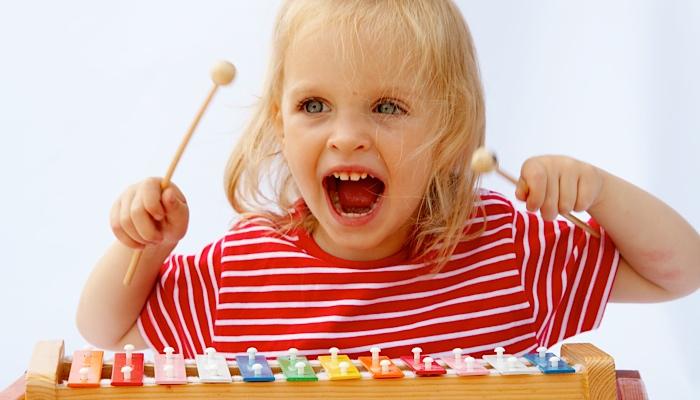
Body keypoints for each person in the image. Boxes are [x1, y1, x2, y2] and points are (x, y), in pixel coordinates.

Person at [76, 0, 699, 360]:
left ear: (450, 134)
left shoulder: (507, 252)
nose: (345, 136)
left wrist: (599, 191)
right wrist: (146, 243)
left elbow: (681, 272)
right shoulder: (242, 270)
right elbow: (103, 330)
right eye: (314, 107)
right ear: (279, 125)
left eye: (387, 107)